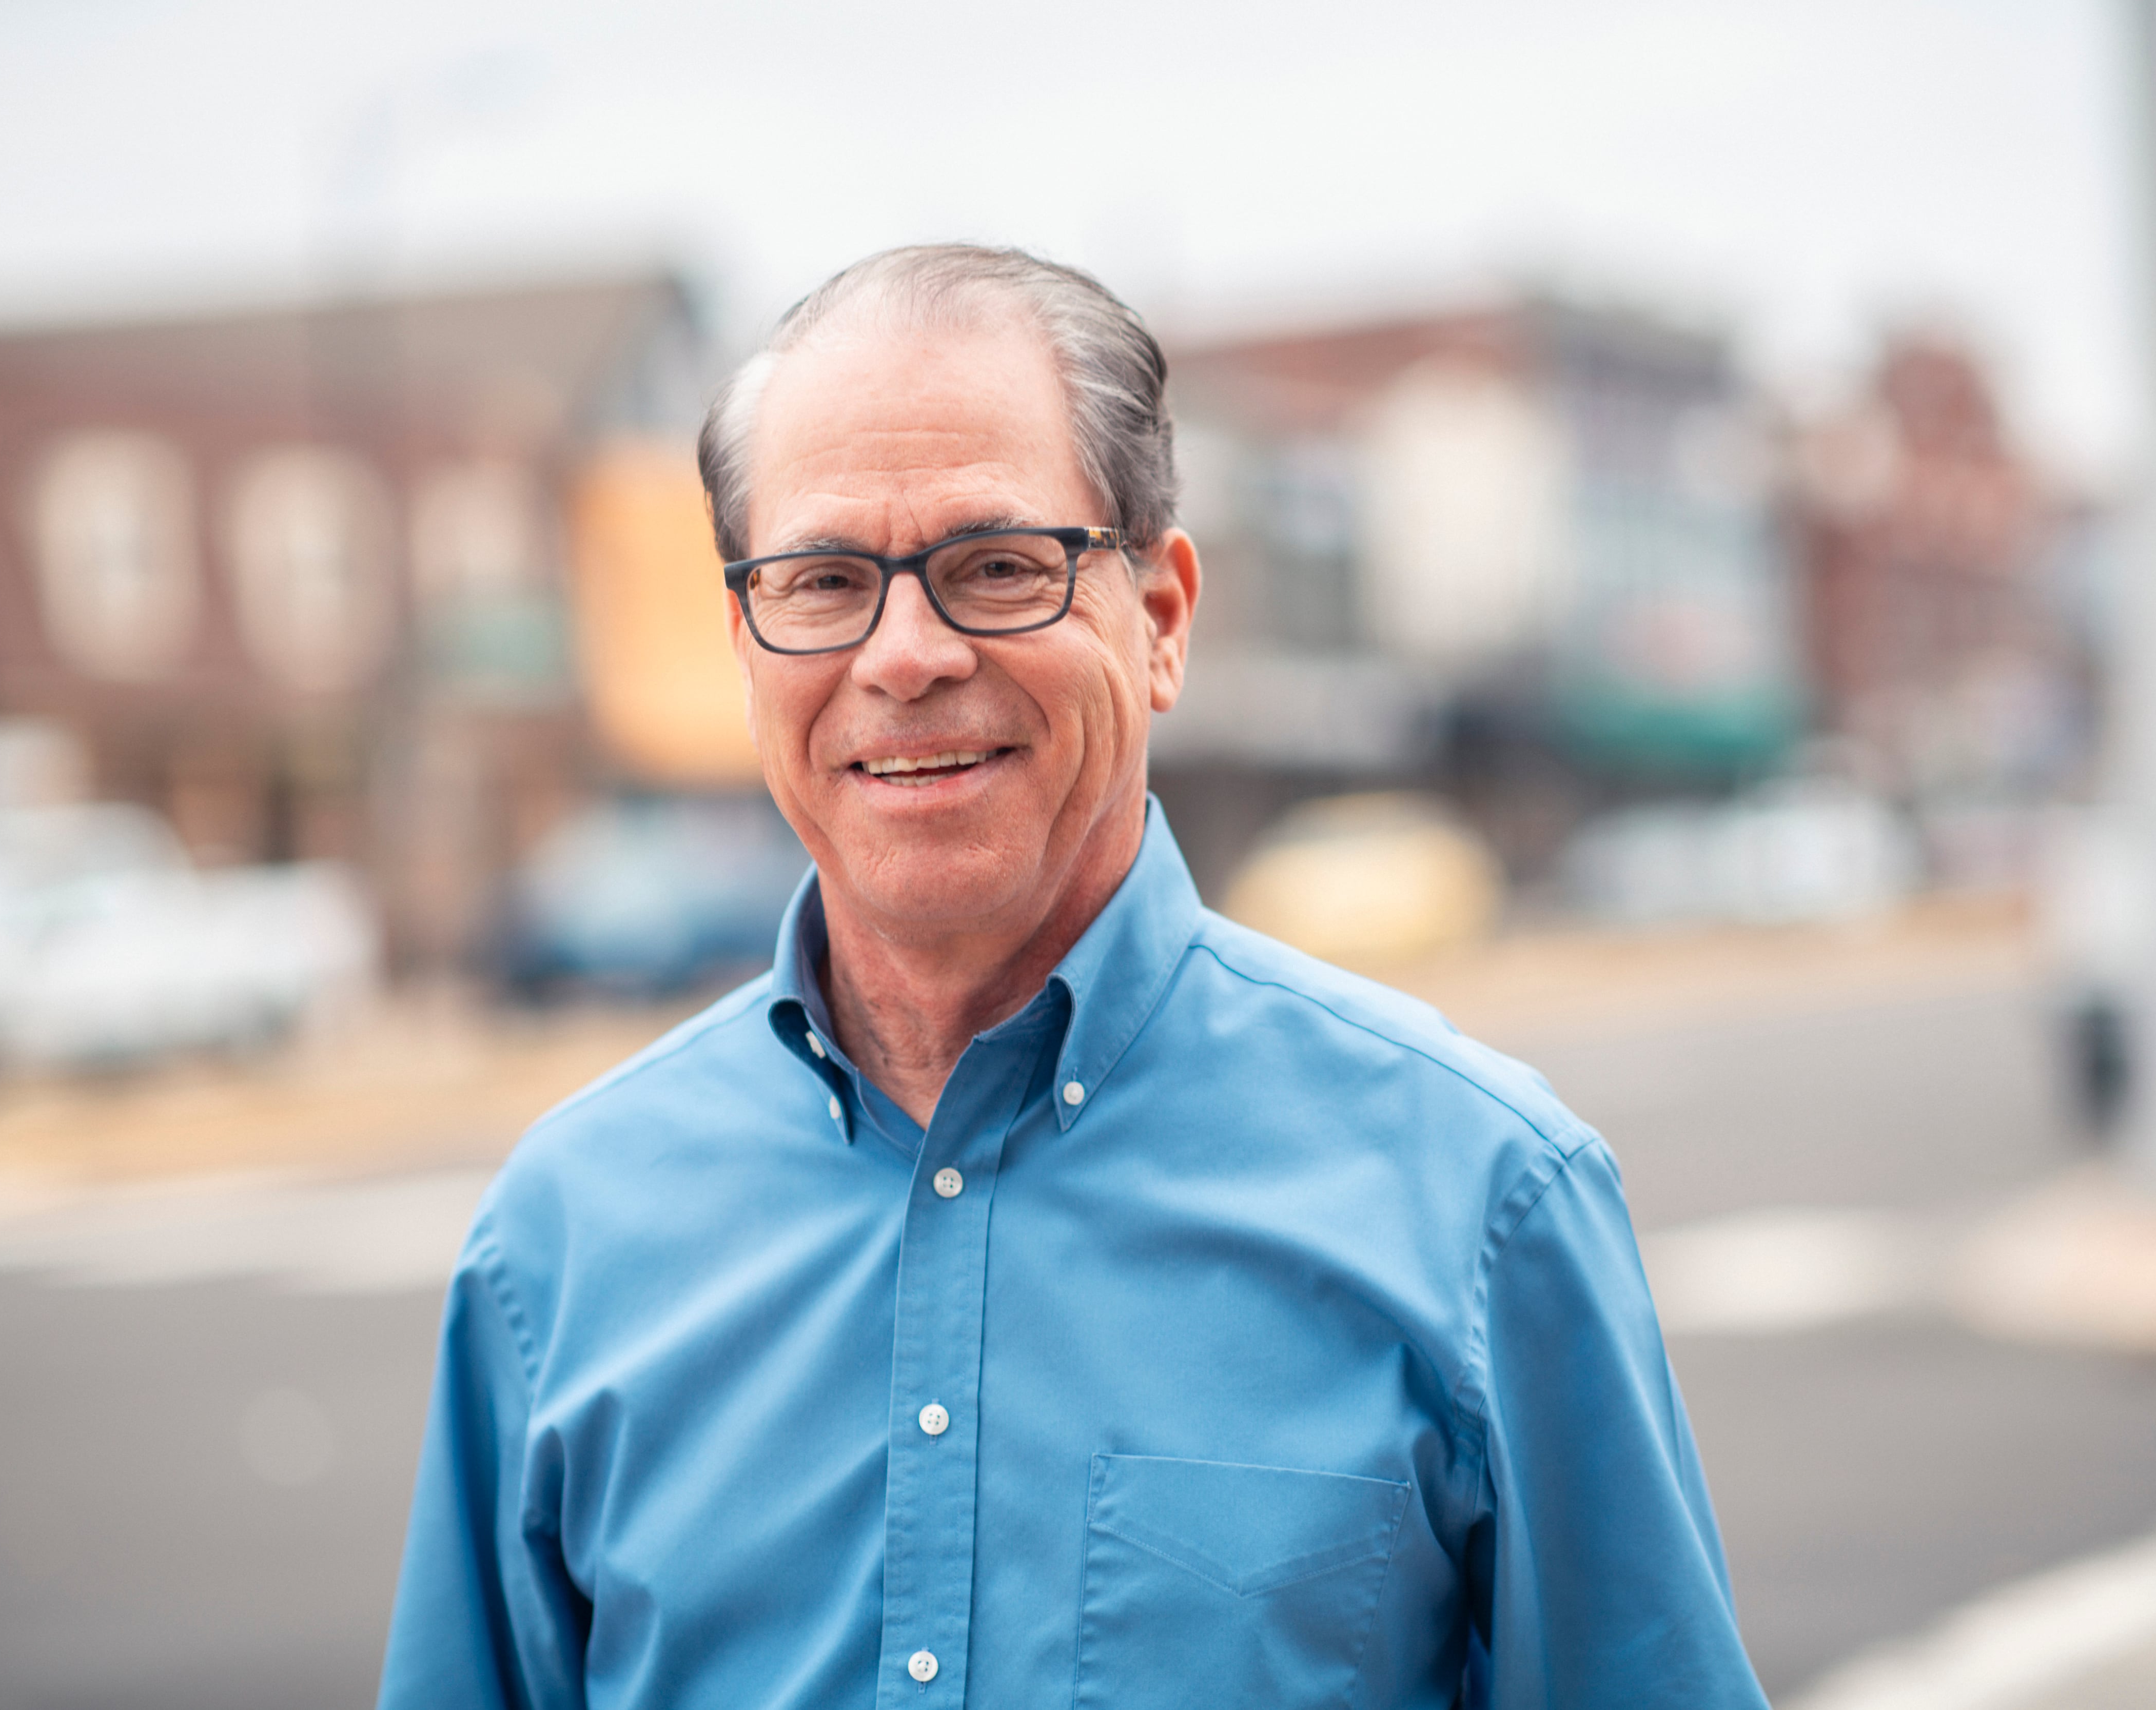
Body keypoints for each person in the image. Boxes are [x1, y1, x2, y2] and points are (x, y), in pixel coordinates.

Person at [378, 244, 1768, 1710]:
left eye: (996, 567)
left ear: (1159, 619)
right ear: (746, 646)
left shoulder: (1486, 1203)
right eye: (825, 581)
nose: (904, 656)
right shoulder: (561, 1241)